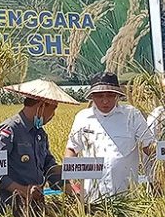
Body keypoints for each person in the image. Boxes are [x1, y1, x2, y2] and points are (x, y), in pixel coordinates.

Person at [0, 79, 79, 217]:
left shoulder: (40, 134)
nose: (53, 115)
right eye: (53, 109)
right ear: (41, 105)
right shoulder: (9, 131)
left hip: (34, 206)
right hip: (7, 208)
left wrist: (68, 187)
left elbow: (48, 166)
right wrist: (23, 190)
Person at [65, 72, 154, 202]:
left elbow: (149, 146)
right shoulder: (83, 117)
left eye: (111, 95)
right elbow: (72, 149)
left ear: (118, 96)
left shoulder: (132, 115)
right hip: (91, 196)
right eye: (100, 96)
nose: (105, 101)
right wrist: (69, 181)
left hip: (126, 195)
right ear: (92, 96)